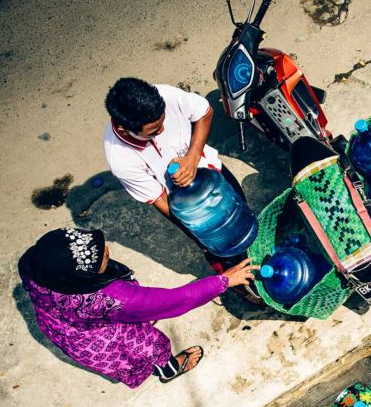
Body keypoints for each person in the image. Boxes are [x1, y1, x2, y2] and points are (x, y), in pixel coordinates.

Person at [19, 228, 255, 387]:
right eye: (101, 257)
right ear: (84, 277)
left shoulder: (36, 265)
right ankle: (169, 370)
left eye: (101, 247)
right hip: (103, 340)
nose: (108, 251)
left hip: (63, 325)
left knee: (139, 326)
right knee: (149, 349)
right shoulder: (113, 299)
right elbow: (175, 301)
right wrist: (223, 281)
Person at [102, 77, 260, 302]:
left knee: (241, 212)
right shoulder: (121, 159)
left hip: (213, 173)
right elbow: (159, 199)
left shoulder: (166, 96)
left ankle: (254, 254)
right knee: (218, 246)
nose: (162, 129)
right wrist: (197, 227)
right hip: (184, 205)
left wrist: (193, 156)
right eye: (154, 131)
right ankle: (232, 280)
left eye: (163, 121)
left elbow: (204, 113)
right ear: (123, 129)